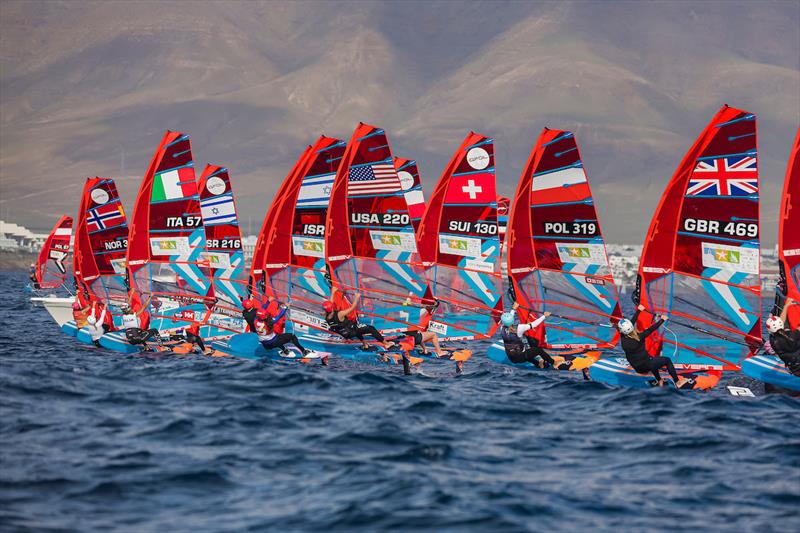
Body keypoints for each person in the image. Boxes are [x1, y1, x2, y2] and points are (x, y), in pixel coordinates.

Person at [618, 304, 690, 387]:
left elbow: (630, 324)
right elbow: (651, 329)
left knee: (652, 360)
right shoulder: (639, 337)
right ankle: (678, 382)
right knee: (667, 360)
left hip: (637, 368)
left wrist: (639, 311)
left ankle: (659, 380)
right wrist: (662, 320)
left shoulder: (623, 338)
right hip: (646, 365)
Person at [324, 287, 389, 350]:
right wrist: (356, 297)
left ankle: (365, 344)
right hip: (352, 331)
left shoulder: (327, 316)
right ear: (332, 308)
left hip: (345, 334)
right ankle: (386, 343)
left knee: (357, 327)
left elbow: (330, 303)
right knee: (371, 329)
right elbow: (352, 308)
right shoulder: (340, 314)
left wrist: (333, 292)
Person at [500, 302, 554, 368]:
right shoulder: (519, 328)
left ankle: (539, 363)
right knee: (538, 350)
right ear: (512, 320)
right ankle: (553, 363)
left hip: (511, 358)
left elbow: (508, 320)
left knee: (527, 352)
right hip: (521, 356)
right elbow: (534, 325)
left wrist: (514, 309)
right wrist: (544, 316)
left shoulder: (501, 328)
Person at [766, 297, 800, 376]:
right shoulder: (793, 335)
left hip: (794, 370)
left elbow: (780, 322)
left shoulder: (772, 340)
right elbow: (781, 322)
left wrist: (786, 306)